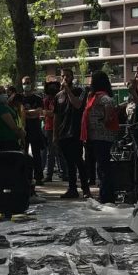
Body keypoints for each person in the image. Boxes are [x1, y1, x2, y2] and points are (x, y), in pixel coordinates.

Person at [81, 70, 118, 203]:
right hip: (96, 136)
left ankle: (106, 196)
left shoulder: (102, 96)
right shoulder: (94, 96)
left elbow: (109, 104)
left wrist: (106, 119)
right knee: (101, 166)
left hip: (101, 136)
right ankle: (105, 194)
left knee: (103, 167)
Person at [54, 67, 90, 199]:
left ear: (72, 78)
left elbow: (78, 105)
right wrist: (55, 135)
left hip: (75, 132)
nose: (65, 78)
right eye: (63, 76)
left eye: (68, 76)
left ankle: (85, 188)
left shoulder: (79, 91)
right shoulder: (58, 96)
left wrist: (67, 90)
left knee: (78, 160)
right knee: (69, 162)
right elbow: (56, 116)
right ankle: (72, 188)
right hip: (63, 133)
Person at [20, 76, 46, 185]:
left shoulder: (37, 98)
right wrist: (31, 113)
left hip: (35, 129)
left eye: (29, 82)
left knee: (36, 154)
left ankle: (38, 177)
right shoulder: (19, 98)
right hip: (23, 130)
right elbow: (19, 113)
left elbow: (38, 112)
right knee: (23, 154)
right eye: (25, 83)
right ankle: (25, 176)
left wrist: (26, 112)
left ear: (32, 84)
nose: (27, 84)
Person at [42, 79, 66, 182]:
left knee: (61, 152)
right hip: (49, 128)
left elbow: (56, 113)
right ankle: (49, 175)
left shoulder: (60, 98)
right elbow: (45, 112)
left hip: (60, 127)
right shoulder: (46, 100)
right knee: (50, 152)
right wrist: (52, 113)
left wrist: (51, 113)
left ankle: (65, 173)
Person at [0, 84, 24, 151]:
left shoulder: (6, 106)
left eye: (4, 92)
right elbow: (13, 126)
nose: (3, 94)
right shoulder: (0, 108)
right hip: (7, 141)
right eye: (0, 93)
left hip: (13, 140)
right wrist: (21, 133)